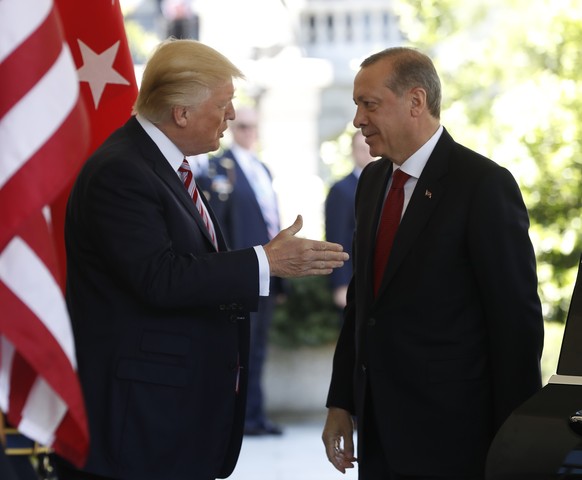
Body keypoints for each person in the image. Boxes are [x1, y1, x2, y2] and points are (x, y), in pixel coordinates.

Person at [54, 38, 348, 480]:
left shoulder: (166, 166)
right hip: (139, 426)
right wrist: (265, 261)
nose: (232, 115)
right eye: (225, 103)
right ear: (181, 112)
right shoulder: (122, 171)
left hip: (169, 416)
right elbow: (160, 277)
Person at [321, 46, 544, 479]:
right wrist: (341, 401)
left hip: (456, 438)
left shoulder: (482, 185)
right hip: (379, 432)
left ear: (416, 102)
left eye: (370, 105)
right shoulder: (371, 182)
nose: (358, 120)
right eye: (356, 106)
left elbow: (516, 324)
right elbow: (363, 306)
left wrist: (517, 442)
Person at [200, 106, 283, 436]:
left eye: (254, 126)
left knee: (259, 349)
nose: (249, 132)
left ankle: (256, 415)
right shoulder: (221, 167)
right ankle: (239, 419)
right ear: (233, 128)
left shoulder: (262, 168)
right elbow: (219, 226)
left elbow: (270, 222)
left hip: (267, 274)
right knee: (241, 350)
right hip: (243, 274)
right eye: (243, 126)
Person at [324, 130, 375, 310]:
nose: (367, 153)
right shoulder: (341, 190)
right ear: (353, 151)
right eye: (362, 149)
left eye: (370, 148)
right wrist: (340, 284)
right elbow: (336, 238)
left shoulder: (388, 183)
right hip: (354, 281)